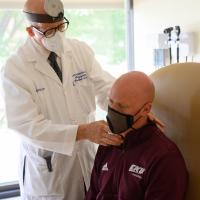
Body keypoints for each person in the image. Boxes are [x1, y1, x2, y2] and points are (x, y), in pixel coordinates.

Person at [1, 0, 123, 199]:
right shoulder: (16, 68)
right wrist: (83, 131)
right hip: (49, 171)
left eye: (60, 27)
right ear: (31, 31)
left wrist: (131, 110)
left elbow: (105, 88)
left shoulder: (79, 51)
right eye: (49, 31)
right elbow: (27, 126)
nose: (57, 35)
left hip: (86, 160)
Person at [85, 71, 188, 200]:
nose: (113, 111)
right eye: (111, 102)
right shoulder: (107, 144)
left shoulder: (164, 158)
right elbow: (92, 195)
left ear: (145, 110)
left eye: (122, 106)